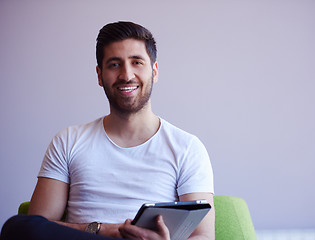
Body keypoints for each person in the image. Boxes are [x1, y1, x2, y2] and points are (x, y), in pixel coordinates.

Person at [0, 21, 214, 240]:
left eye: (137, 62)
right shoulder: (68, 141)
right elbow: (37, 226)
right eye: (114, 64)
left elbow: (203, 236)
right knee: (17, 226)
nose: (126, 75)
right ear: (100, 75)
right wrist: (101, 229)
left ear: (154, 71)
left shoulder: (187, 148)